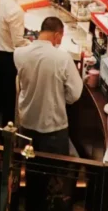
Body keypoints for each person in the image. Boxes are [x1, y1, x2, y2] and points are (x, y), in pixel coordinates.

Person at [14, 16, 83, 155]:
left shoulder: (19, 54)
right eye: (60, 38)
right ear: (57, 35)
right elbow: (75, 93)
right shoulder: (63, 58)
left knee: (31, 169)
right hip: (54, 127)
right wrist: (63, 98)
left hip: (27, 122)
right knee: (54, 170)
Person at [0, 0, 31, 127]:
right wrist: (32, 42)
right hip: (8, 58)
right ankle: (6, 135)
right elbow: (18, 42)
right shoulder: (15, 10)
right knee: (8, 100)